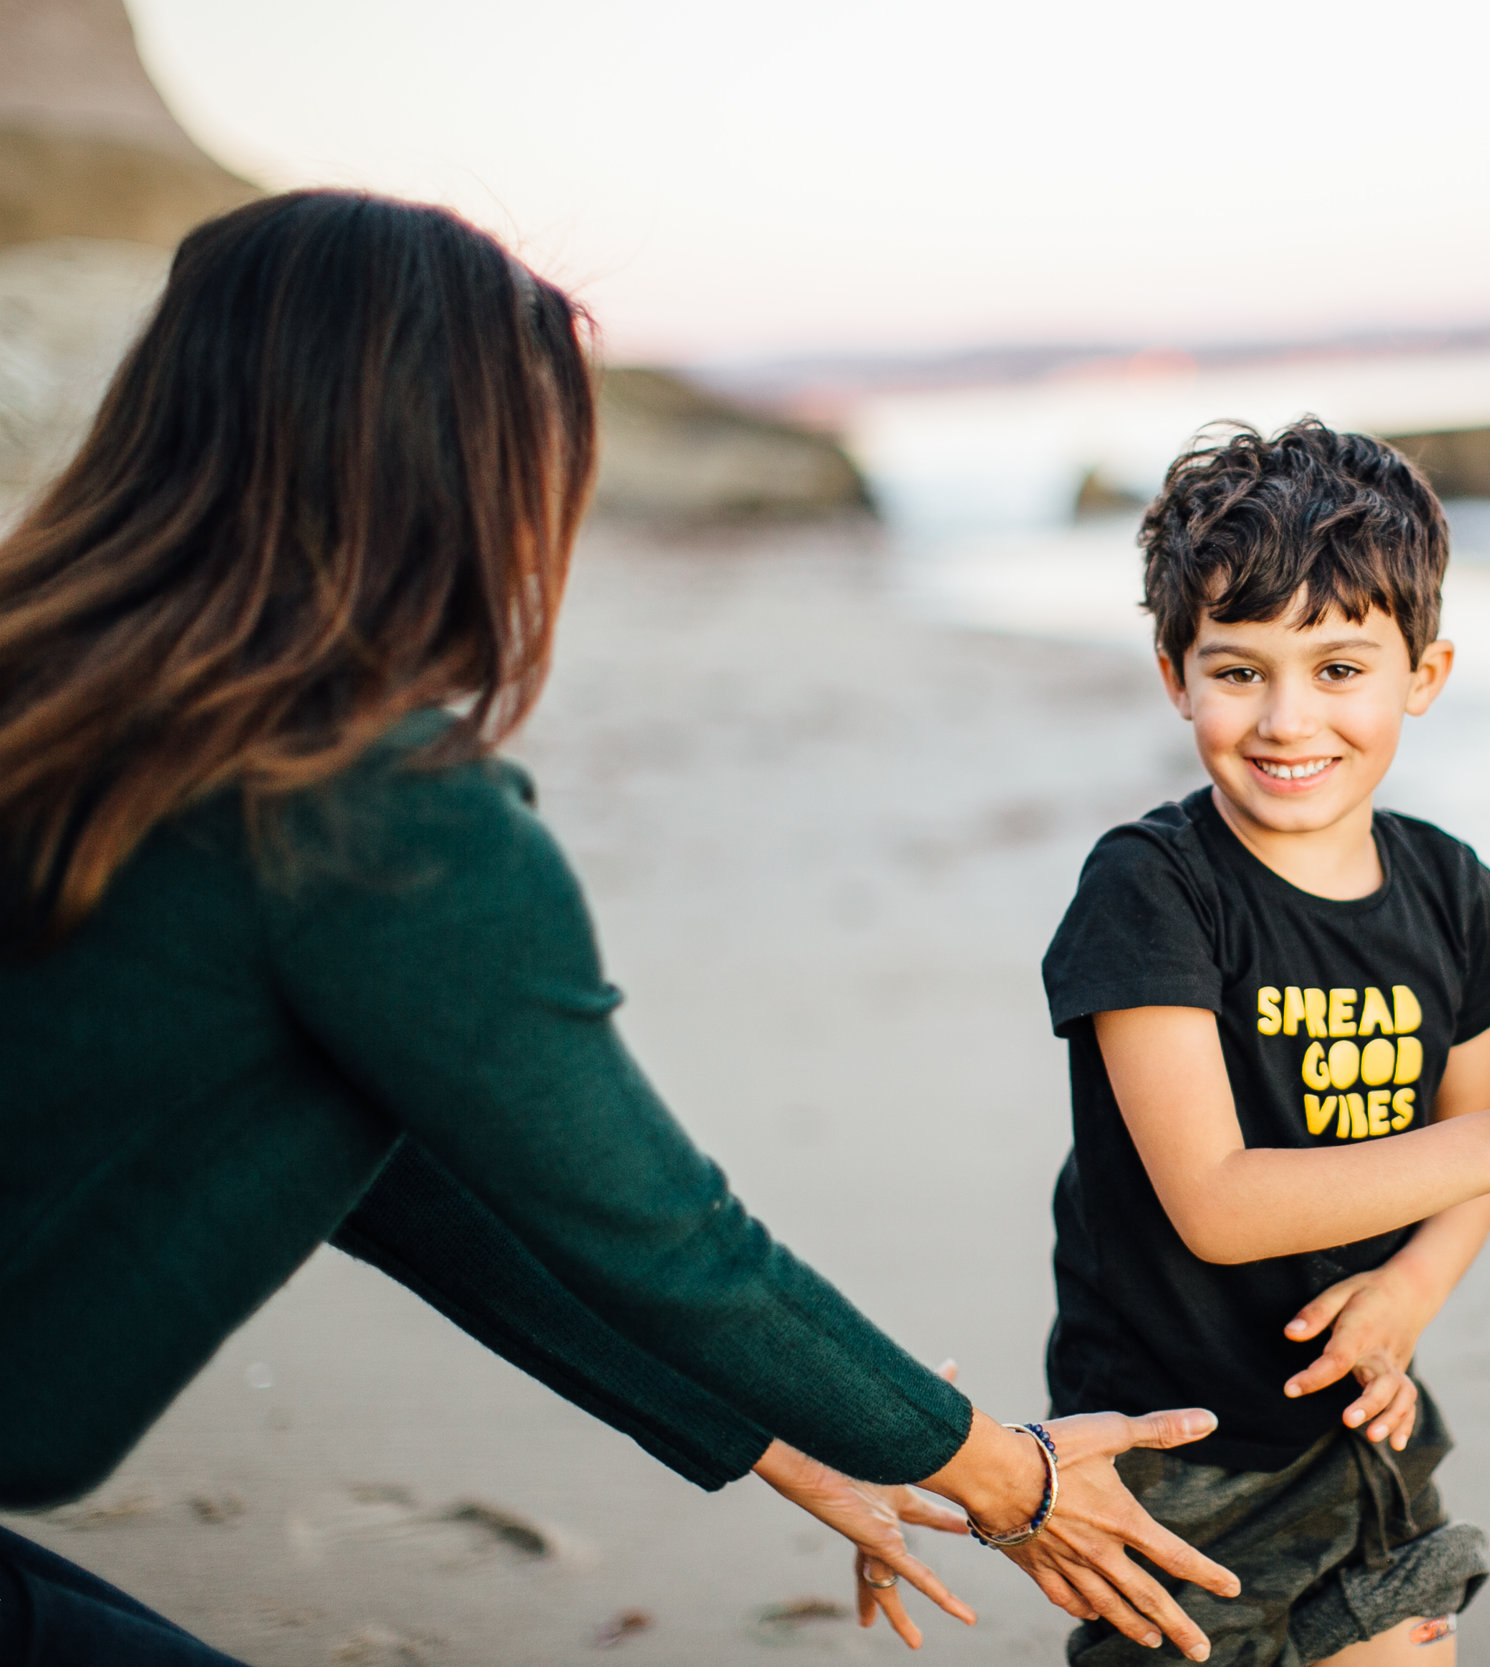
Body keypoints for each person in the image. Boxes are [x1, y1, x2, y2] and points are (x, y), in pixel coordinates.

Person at [0, 190, 1243, 1666]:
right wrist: (1005, 1474)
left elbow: (411, 1178)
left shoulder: (82, 713)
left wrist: (783, 1426)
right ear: (449, 470)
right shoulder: (365, 814)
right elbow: (661, 1233)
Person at [1039, 419, 1490, 1666]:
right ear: (1175, 673)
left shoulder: (1447, 889)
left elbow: (1468, 1155)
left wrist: (1409, 1293)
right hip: (1176, 1464)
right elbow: (1216, 1202)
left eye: (1339, 669)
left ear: (1422, 673)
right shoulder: (1153, 889)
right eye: (1238, 671)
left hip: (1368, 1429)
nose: (1286, 720)